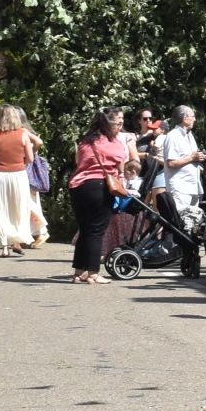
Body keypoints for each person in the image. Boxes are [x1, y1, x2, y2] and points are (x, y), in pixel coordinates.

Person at [66, 108, 130, 284]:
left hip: (78, 186)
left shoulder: (85, 141)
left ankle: (78, 272)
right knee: (96, 231)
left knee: (85, 229)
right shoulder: (114, 143)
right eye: (117, 124)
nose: (119, 127)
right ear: (108, 125)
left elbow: (78, 161)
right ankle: (93, 273)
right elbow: (120, 164)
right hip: (99, 187)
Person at [0, 104, 38, 259]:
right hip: (18, 174)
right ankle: (17, 240)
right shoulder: (23, 134)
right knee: (19, 208)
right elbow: (30, 158)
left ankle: (4, 246)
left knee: (0, 209)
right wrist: (19, 161)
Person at [157, 106, 206, 230]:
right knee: (180, 224)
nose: (195, 119)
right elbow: (171, 163)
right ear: (185, 118)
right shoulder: (173, 136)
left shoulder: (189, 135)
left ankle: (188, 243)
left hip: (193, 186)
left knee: (192, 224)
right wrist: (192, 157)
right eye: (192, 116)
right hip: (180, 188)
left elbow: (192, 157)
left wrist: (200, 157)